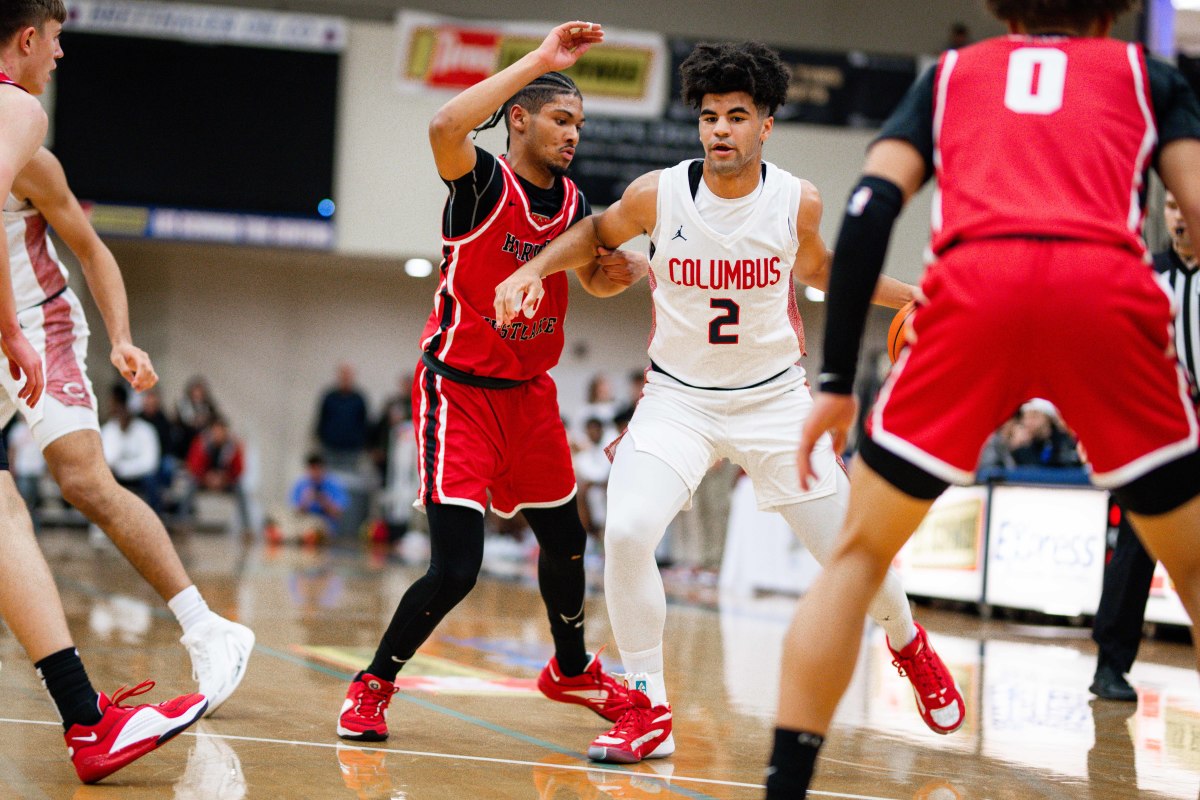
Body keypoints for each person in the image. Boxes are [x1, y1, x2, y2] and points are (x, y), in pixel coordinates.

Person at [495, 40, 963, 765]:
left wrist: (916, 296)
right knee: (624, 533)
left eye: (736, 117)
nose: (720, 130)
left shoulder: (795, 199)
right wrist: (533, 270)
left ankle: (909, 644)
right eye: (710, 116)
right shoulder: (661, 193)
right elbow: (594, 231)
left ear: (765, 125)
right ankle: (648, 707)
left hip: (774, 403)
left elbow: (824, 270)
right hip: (677, 400)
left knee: (852, 552)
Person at [776, 0, 1200, 795]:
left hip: (975, 288)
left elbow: (869, 209)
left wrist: (836, 382)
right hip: (1101, 290)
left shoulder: (949, 76)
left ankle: (784, 783)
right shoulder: (1151, 74)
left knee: (857, 558)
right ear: (1116, 8)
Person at [335, 21, 648, 742]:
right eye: (561, 120)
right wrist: (539, 59)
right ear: (520, 119)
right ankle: (373, 681)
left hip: (531, 395)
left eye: (580, 123)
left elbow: (592, 285)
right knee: (457, 569)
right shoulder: (480, 183)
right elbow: (445, 122)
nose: (573, 134)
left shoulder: (573, 203)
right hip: (460, 392)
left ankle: (570, 668)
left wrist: (617, 276)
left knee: (568, 542)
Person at [0, 4, 254, 713]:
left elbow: (93, 250)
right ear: (28, 39)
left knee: (82, 479)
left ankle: (207, 629)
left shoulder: (26, 141)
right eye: (55, 41)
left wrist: (120, 339)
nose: (58, 56)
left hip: (33, 324)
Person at [1091, 190, 1199, 702]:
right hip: (1152, 430)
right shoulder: (1145, 274)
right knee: (1133, 551)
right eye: (1172, 206)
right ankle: (1110, 664)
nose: (1181, 215)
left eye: (1188, 206)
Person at [315, 363, 369, 472]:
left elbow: (364, 422)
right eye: (343, 375)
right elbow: (322, 419)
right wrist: (323, 437)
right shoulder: (330, 397)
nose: (345, 378)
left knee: (348, 480)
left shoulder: (358, 398)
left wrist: (361, 441)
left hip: (352, 449)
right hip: (330, 447)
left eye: (348, 375)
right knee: (329, 476)